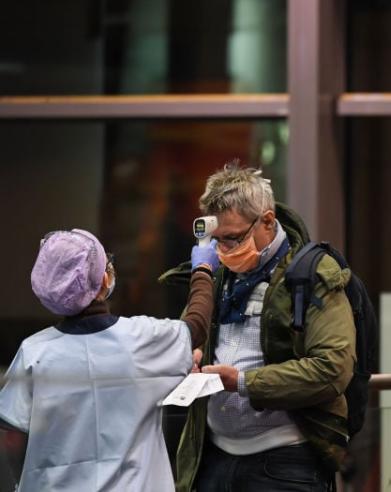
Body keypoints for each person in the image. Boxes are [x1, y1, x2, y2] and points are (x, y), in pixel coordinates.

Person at [172, 163, 356, 492]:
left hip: (284, 462)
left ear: (267, 221)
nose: (224, 250)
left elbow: (333, 368)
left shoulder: (312, 275)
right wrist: (191, 356)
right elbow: (192, 333)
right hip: (212, 455)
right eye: (217, 241)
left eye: (233, 238)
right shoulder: (217, 271)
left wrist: (242, 382)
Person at [0, 228, 217, 490]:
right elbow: (196, 326)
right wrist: (203, 270)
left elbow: (11, 432)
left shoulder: (34, 352)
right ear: (104, 280)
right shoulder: (142, 339)